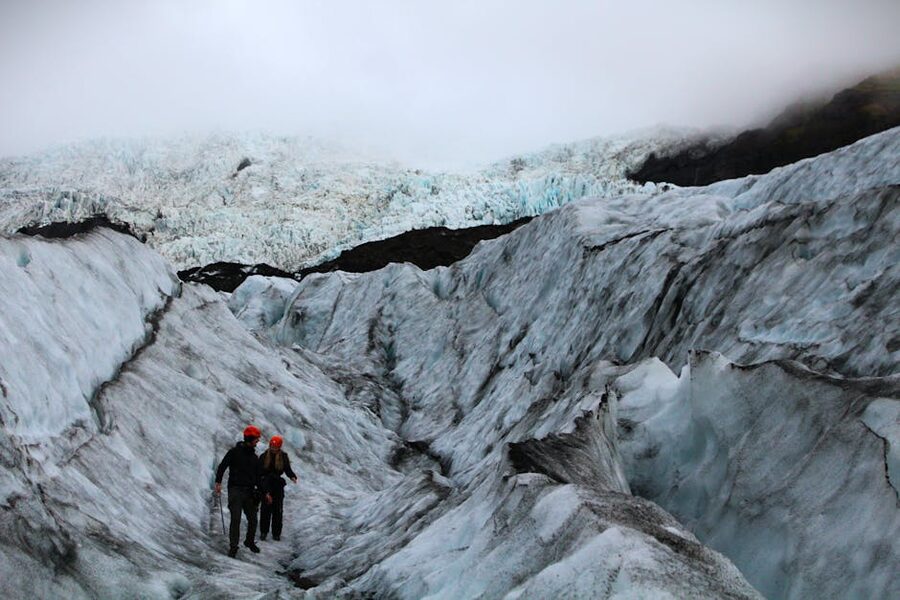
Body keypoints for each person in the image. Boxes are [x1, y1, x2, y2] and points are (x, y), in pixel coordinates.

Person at [215, 425, 263, 558]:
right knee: (235, 519)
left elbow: (258, 477)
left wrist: (260, 491)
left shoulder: (254, 458)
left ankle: (249, 541)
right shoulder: (234, 452)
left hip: (249, 492)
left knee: (253, 519)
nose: (257, 441)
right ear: (250, 438)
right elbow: (222, 466)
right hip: (235, 490)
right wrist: (218, 482)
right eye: (256, 439)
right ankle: (233, 547)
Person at [258, 435, 298, 541]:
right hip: (266, 484)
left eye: (275, 447)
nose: (273, 448)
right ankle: (263, 532)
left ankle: (276, 533)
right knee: (265, 510)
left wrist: (292, 476)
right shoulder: (264, 456)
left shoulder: (283, 456)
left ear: (279, 447)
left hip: (277, 486)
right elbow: (258, 471)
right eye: (272, 446)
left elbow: (287, 469)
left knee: (277, 510)